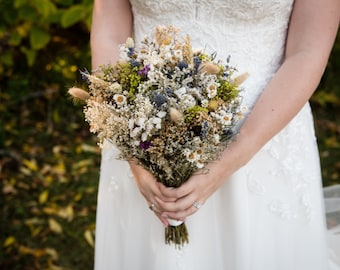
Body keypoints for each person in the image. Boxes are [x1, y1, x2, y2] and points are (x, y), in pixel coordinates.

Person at [90, 0, 340, 269]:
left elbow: (308, 51)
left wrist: (233, 155)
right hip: (143, 134)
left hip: (264, 134)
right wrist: (133, 148)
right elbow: (109, 35)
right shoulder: (137, 142)